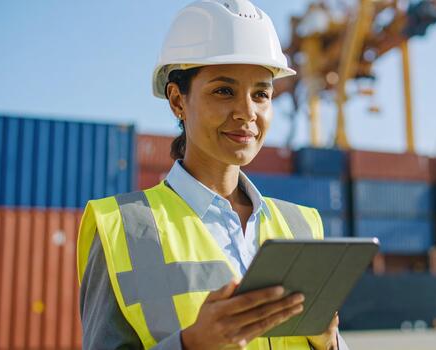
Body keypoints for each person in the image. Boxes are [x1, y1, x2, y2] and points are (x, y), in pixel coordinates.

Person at [77, 1, 349, 349]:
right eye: (224, 91)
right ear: (177, 101)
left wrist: (330, 343)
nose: (247, 112)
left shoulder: (302, 225)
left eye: (261, 94)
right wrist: (191, 344)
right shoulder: (123, 228)